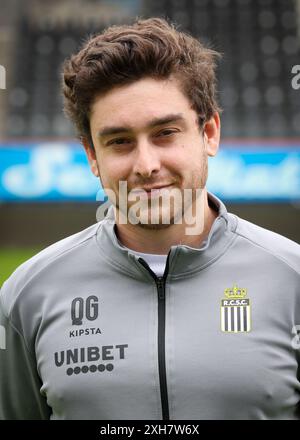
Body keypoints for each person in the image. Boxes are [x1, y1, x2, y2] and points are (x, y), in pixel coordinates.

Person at [0, 17, 300, 421]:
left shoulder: (292, 280)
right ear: (92, 155)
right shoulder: (26, 295)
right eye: (119, 141)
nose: (146, 165)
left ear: (209, 132)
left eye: (165, 133)